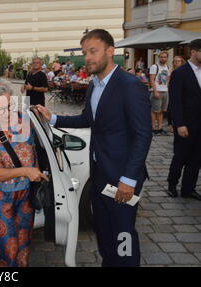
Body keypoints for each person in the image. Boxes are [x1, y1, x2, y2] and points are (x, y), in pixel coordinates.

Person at [37, 29, 152, 267]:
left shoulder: (129, 85)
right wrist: (53, 119)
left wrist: (129, 179)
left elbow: (143, 135)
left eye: (93, 51)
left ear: (110, 51)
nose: (87, 57)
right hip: (99, 174)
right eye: (84, 52)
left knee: (123, 235)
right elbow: (88, 119)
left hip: (122, 177)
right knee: (104, 232)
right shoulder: (94, 85)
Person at [0, 78, 47, 267]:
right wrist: (24, 170)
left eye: (9, 106)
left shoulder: (25, 121)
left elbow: (36, 150)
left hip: (25, 194)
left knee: (24, 242)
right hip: (0, 196)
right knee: (8, 245)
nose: (7, 113)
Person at [166, 39, 201, 201]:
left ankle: (189, 188)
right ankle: (172, 185)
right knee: (180, 156)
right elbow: (175, 101)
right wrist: (179, 123)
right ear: (193, 51)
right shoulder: (180, 73)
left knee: (196, 158)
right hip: (185, 124)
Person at [149, 51, 170, 135]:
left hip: (165, 91)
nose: (163, 58)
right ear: (159, 57)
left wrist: (167, 87)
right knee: (154, 110)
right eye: (161, 57)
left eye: (165, 57)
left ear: (167, 58)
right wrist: (155, 91)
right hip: (157, 91)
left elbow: (168, 78)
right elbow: (151, 80)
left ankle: (160, 128)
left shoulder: (167, 67)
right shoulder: (154, 66)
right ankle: (153, 127)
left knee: (162, 110)